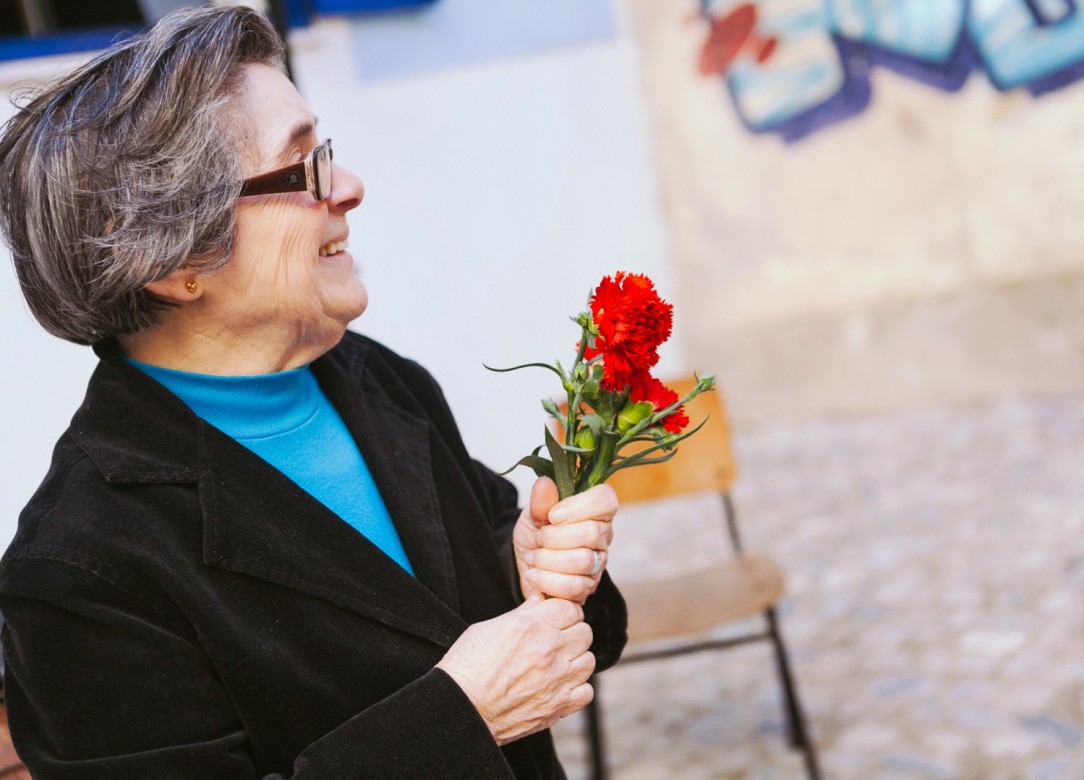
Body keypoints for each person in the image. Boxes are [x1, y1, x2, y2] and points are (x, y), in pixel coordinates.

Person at [0, 6, 626, 778]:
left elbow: (513, 637)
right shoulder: (80, 569)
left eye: (324, 149)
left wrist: (533, 570)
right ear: (171, 259)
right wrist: (457, 719)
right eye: (303, 169)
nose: (352, 186)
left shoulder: (377, 381)